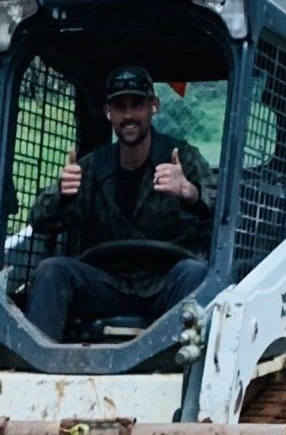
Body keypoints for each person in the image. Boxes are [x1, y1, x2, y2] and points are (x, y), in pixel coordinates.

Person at [24, 65, 215, 343]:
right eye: (119, 106)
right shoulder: (90, 167)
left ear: (154, 107)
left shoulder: (180, 159)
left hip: (164, 284)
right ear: (108, 113)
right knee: (52, 271)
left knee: (194, 272)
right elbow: (39, 219)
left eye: (137, 104)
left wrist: (189, 192)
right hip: (105, 283)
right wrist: (62, 195)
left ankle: (184, 367)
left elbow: (221, 210)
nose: (128, 115)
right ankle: (36, 368)